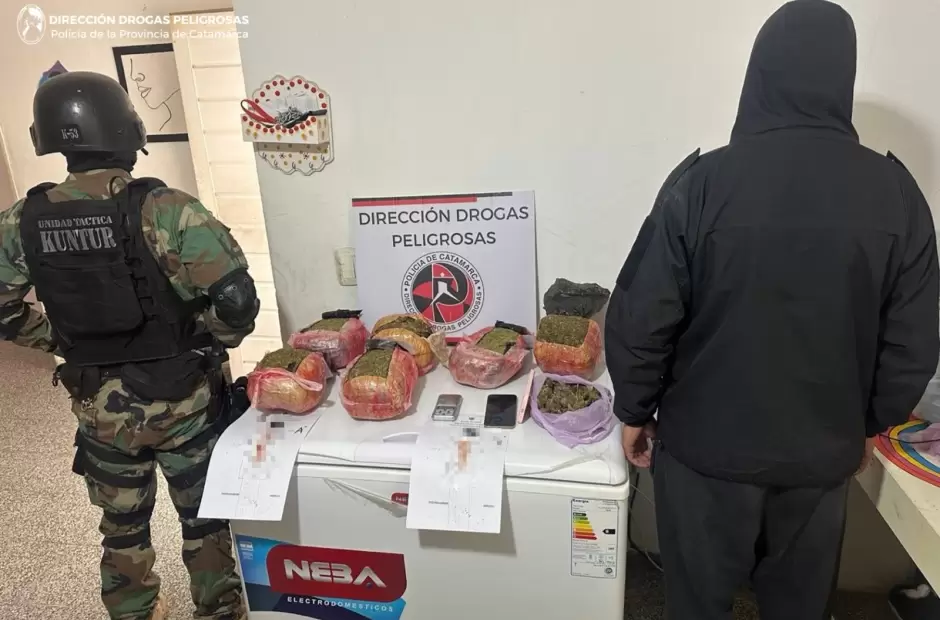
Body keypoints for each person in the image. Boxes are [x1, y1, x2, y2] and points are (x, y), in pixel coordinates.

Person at [605, 1, 939, 619]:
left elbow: (643, 314)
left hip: (704, 451)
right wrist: (867, 423)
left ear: (759, 73)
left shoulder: (702, 184)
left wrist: (634, 407)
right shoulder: (897, 194)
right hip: (820, 453)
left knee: (696, 605)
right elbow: (913, 342)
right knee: (800, 606)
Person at [0, 71, 259, 620]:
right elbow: (236, 299)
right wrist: (211, 337)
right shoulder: (165, 209)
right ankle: (218, 610)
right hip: (183, 403)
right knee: (204, 518)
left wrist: (59, 340)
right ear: (126, 131)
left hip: (99, 407)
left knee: (121, 526)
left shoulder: (23, 220)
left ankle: (135, 611)